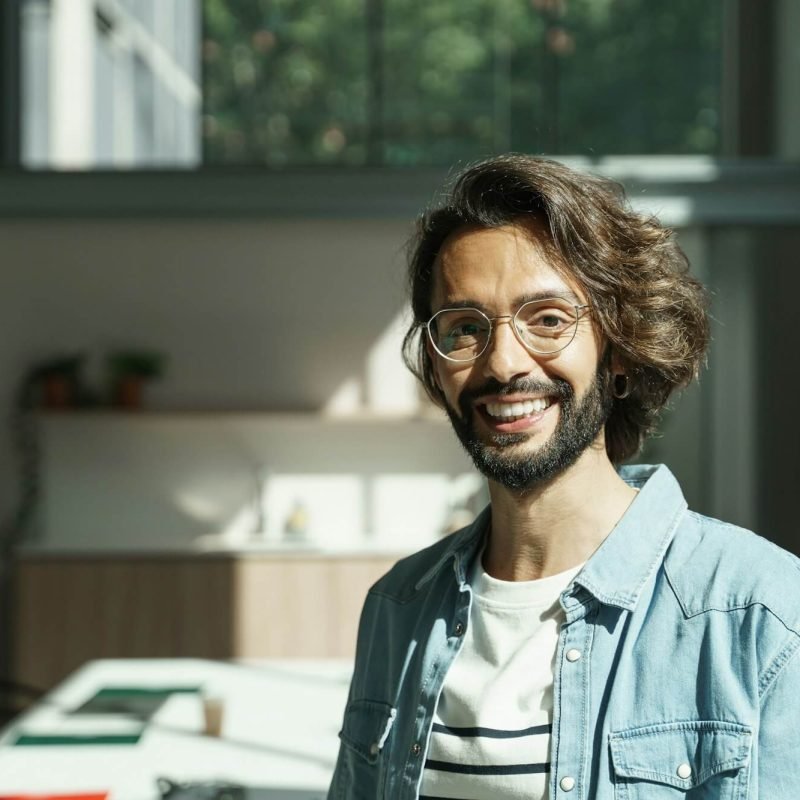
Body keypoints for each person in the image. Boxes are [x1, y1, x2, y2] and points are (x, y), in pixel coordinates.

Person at [328, 155, 800, 799]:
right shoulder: (399, 607)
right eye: (465, 329)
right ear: (437, 370)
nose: (502, 363)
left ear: (621, 353)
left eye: (547, 319)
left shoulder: (764, 614)